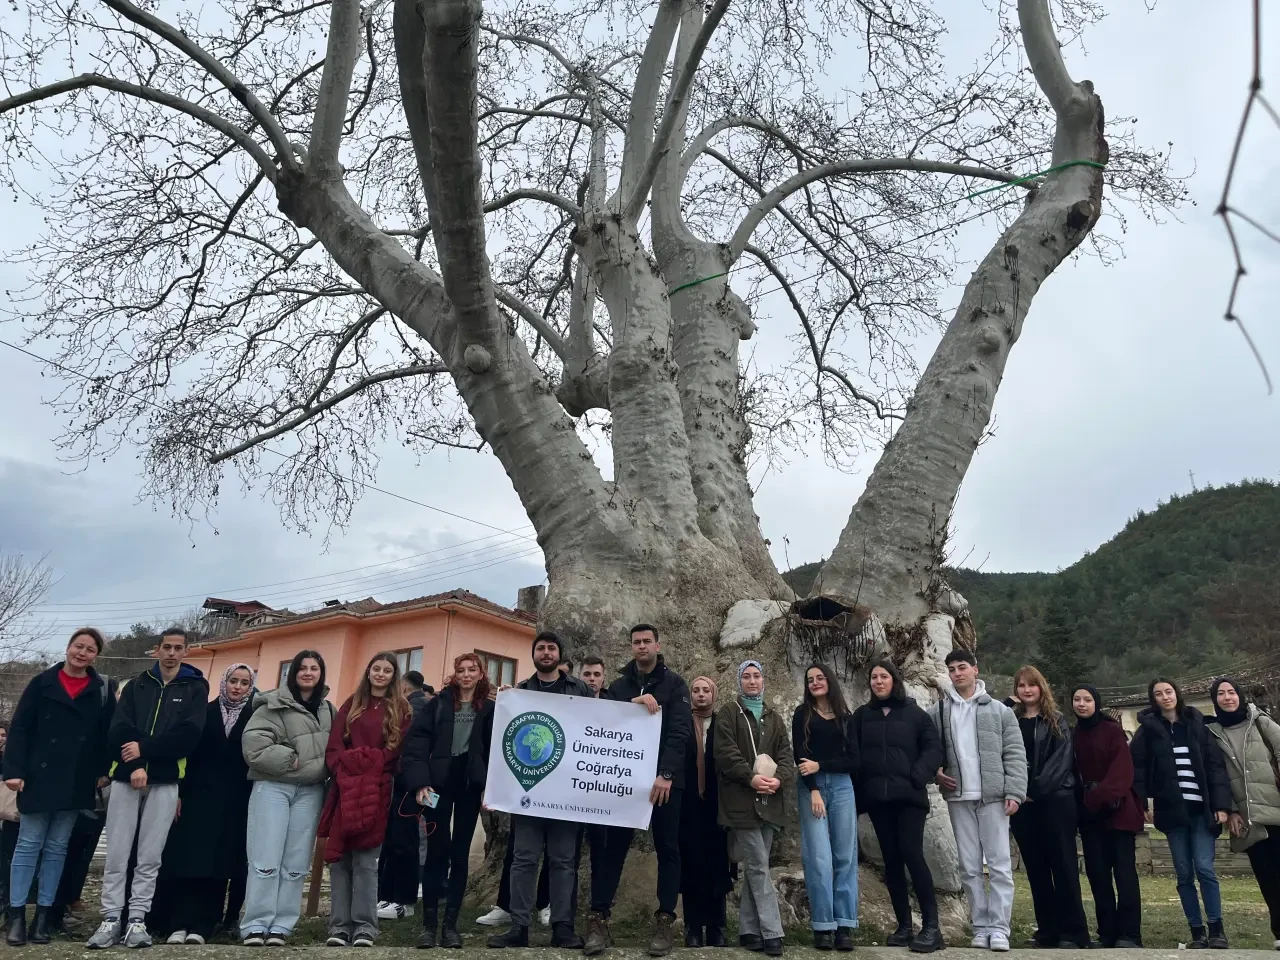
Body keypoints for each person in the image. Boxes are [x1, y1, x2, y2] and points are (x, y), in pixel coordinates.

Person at [89, 628, 207, 950]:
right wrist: (136, 765)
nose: (171, 653)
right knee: (117, 853)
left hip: (167, 781)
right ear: (157, 650)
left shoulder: (195, 687)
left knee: (150, 856)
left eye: (177, 648)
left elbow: (189, 735)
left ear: (186, 651)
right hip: (127, 779)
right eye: (166, 647)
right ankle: (111, 918)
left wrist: (145, 751)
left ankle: (137, 919)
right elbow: (119, 729)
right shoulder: (136, 685)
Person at [587, 623, 691, 958]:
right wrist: (631, 704)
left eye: (647, 641)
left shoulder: (675, 685)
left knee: (668, 849)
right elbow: (606, 725)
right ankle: (598, 919)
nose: (642, 646)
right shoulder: (618, 686)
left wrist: (666, 773)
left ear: (658, 645)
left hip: (665, 784)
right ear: (631, 647)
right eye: (636, 642)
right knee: (611, 849)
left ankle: (665, 921)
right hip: (624, 782)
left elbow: (679, 732)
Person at [4, 628, 113, 945]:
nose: (82, 653)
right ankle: (15, 917)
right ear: (68, 648)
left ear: (96, 655)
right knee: (27, 847)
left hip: (76, 779)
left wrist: (103, 770)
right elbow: (20, 728)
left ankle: (43, 918)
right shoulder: (42, 683)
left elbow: (105, 735)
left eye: (90, 649)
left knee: (56, 850)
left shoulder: (100, 689)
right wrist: (14, 770)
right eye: (78, 646)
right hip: (38, 778)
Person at [487, 632, 592, 950]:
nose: (546, 653)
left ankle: (563, 927)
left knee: (563, 861)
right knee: (523, 860)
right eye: (541, 648)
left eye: (551, 648)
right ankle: (519, 926)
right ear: (533, 654)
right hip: (529, 794)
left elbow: (599, 728)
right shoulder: (520, 692)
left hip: (566, 797)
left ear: (560, 655)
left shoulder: (581, 689)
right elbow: (505, 743)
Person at [928, 649, 1025, 953]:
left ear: (975, 670)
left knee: (999, 866)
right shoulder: (939, 711)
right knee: (969, 867)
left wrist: (1015, 792)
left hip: (994, 797)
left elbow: (1015, 754)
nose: (957, 673)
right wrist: (936, 773)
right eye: (952, 669)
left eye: (962, 668)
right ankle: (980, 927)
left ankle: (999, 928)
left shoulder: (999, 711)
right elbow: (929, 751)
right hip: (958, 798)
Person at [239, 650, 336, 946]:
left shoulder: (328, 709)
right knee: (264, 858)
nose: (308, 673)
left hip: (310, 792)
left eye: (314, 668)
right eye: (302, 668)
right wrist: (291, 759)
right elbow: (253, 746)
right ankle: (256, 923)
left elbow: (334, 749)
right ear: (293, 673)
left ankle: (283, 924)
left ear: (321, 674)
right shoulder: (272, 704)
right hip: (273, 787)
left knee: (295, 862)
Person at [1130, 677, 1233, 949]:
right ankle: (1196, 931)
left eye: (1169, 691)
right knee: (1184, 873)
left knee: (1205, 868)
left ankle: (1216, 929)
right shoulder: (1147, 730)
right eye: (1159, 693)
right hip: (1172, 812)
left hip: (1202, 809)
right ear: (1153, 699)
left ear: (1176, 693)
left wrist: (1221, 805)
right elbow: (1137, 769)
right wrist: (1142, 803)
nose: (1165, 697)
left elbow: (1215, 767)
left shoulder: (1197, 723)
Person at [158, 663, 256, 945]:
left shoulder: (254, 717)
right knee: (189, 861)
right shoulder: (204, 712)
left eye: (244, 683)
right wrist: (179, 792)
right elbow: (187, 754)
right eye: (233, 681)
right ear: (224, 682)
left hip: (235, 802)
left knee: (220, 865)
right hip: (197, 798)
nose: (237, 687)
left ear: (251, 687)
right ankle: (179, 923)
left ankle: (204, 925)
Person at [402, 652, 495, 949]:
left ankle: (451, 926)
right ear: (454, 674)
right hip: (438, 784)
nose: (466, 675)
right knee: (436, 852)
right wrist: (420, 783)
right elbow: (416, 744)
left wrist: (490, 788)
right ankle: (429, 925)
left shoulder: (491, 709)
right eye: (461, 670)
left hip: (470, 784)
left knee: (460, 853)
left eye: (472, 670)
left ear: (481, 674)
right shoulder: (438, 704)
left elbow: (497, 750)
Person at [321, 653, 412, 948]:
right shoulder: (351, 704)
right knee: (340, 859)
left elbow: (395, 750)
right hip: (345, 788)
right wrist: (347, 766)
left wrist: (368, 764)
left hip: (378, 787)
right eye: (376, 669)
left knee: (366, 860)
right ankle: (339, 926)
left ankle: (364, 927)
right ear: (368, 671)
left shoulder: (401, 708)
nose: (381, 674)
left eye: (387, 670)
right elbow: (335, 746)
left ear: (393, 675)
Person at [852, 659, 943, 954]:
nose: (878, 682)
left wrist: (917, 776)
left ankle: (932, 928)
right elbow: (851, 752)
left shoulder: (915, 714)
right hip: (879, 800)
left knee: (912, 854)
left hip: (909, 799)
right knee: (891, 861)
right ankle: (904, 926)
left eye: (884, 676)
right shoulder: (862, 716)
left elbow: (934, 748)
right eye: (874, 677)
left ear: (894, 680)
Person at [715, 661, 793, 958]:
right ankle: (772, 932)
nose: (751, 681)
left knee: (754, 869)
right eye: (746, 676)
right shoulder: (728, 713)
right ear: (739, 681)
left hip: (770, 802)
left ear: (763, 680)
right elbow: (725, 753)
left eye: (756, 676)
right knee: (759, 865)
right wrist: (751, 777)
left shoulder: (774, 717)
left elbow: (785, 754)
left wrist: (778, 779)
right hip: (741, 804)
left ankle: (748, 930)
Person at [1008, 666, 1088, 949]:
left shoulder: (1056, 720)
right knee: (1037, 871)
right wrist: (1019, 793)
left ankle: (1074, 932)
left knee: (1064, 867)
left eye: (1032, 685)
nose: (1027, 690)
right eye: (1021, 686)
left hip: (1055, 802)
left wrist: (1033, 791)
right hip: (1023, 807)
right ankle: (1048, 931)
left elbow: (1060, 762)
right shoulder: (1011, 720)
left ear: (1042, 687)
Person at [1205, 677, 1280, 950]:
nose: (1227, 698)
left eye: (1231, 692)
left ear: (1239, 695)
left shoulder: (1259, 720)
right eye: (1221, 694)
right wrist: (1231, 810)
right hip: (1248, 817)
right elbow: (1217, 775)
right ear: (1215, 700)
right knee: (1267, 877)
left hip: (1276, 808)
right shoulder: (1211, 732)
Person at [1070, 684, 1143, 948]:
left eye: (1087, 699)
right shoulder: (1074, 734)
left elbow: (1122, 772)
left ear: (1096, 703)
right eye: (1077, 699)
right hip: (1091, 819)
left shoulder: (1112, 731)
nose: (1081, 704)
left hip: (1119, 813)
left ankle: (1130, 934)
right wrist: (1085, 803)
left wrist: (1096, 796)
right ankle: (1107, 932)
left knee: (1124, 876)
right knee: (1098, 877)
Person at [791, 664, 857, 952]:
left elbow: (854, 760)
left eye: (819, 678)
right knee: (818, 857)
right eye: (810, 680)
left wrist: (822, 765)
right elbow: (800, 757)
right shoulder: (802, 714)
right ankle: (823, 926)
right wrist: (814, 788)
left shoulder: (846, 718)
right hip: (812, 789)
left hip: (843, 787)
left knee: (844, 856)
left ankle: (844, 924)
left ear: (830, 680)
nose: (815, 683)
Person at [679, 676, 731, 949]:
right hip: (689, 804)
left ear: (714, 694)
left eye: (706, 690)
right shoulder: (683, 722)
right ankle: (693, 928)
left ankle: (717, 928)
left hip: (718, 804)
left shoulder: (724, 722)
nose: (701, 695)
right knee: (692, 865)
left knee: (717, 866)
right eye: (696, 690)